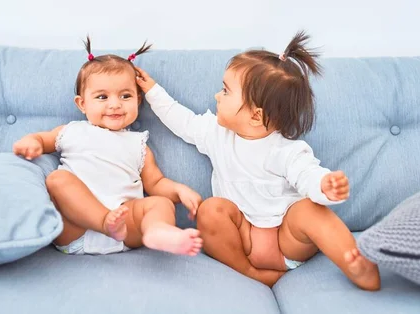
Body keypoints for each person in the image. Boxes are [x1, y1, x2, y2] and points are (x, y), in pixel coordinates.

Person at [135, 31, 380, 289]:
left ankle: (354, 261)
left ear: (255, 116)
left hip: (288, 242)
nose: (217, 96)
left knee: (310, 210)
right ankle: (248, 272)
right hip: (243, 240)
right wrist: (152, 91)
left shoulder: (286, 150)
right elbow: (181, 120)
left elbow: (308, 175)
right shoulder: (215, 133)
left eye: (226, 91)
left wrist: (324, 186)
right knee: (210, 210)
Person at [13, 36, 203, 257]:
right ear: (82, 104)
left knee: (160, 204)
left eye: (125, 95)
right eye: (102, 97)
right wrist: (31, 142)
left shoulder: (139, 144)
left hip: (126, 226)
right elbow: (42, 139)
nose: (115, 104)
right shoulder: (72, 131)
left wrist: (179, 190)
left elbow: (156, 183)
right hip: (76, 228)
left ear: (138, 100)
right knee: (57, 180)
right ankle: (104, 221)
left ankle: (157, 231)